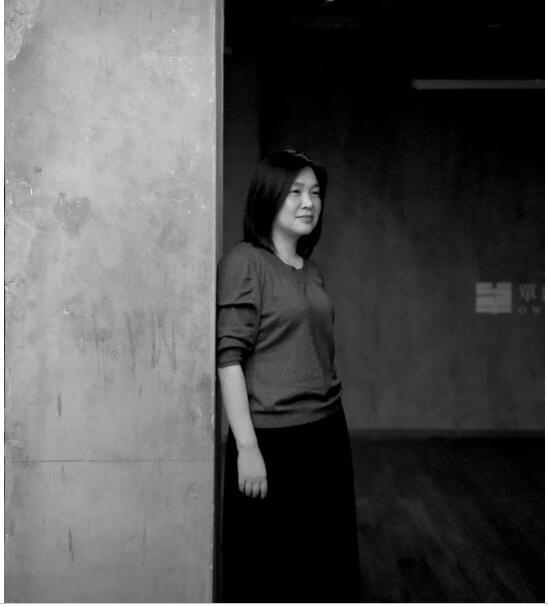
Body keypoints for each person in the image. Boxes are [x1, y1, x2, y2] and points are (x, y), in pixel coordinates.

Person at [217, 149, 361, 602]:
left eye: (315, 193)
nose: (308, 203)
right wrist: (247, 449)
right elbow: (229, 359)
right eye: (295, 192)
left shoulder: (309, 267)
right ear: (268, 197)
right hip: (272, 440)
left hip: (327, 431)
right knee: (270, 573)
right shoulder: (245, 262)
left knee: (326, 570)